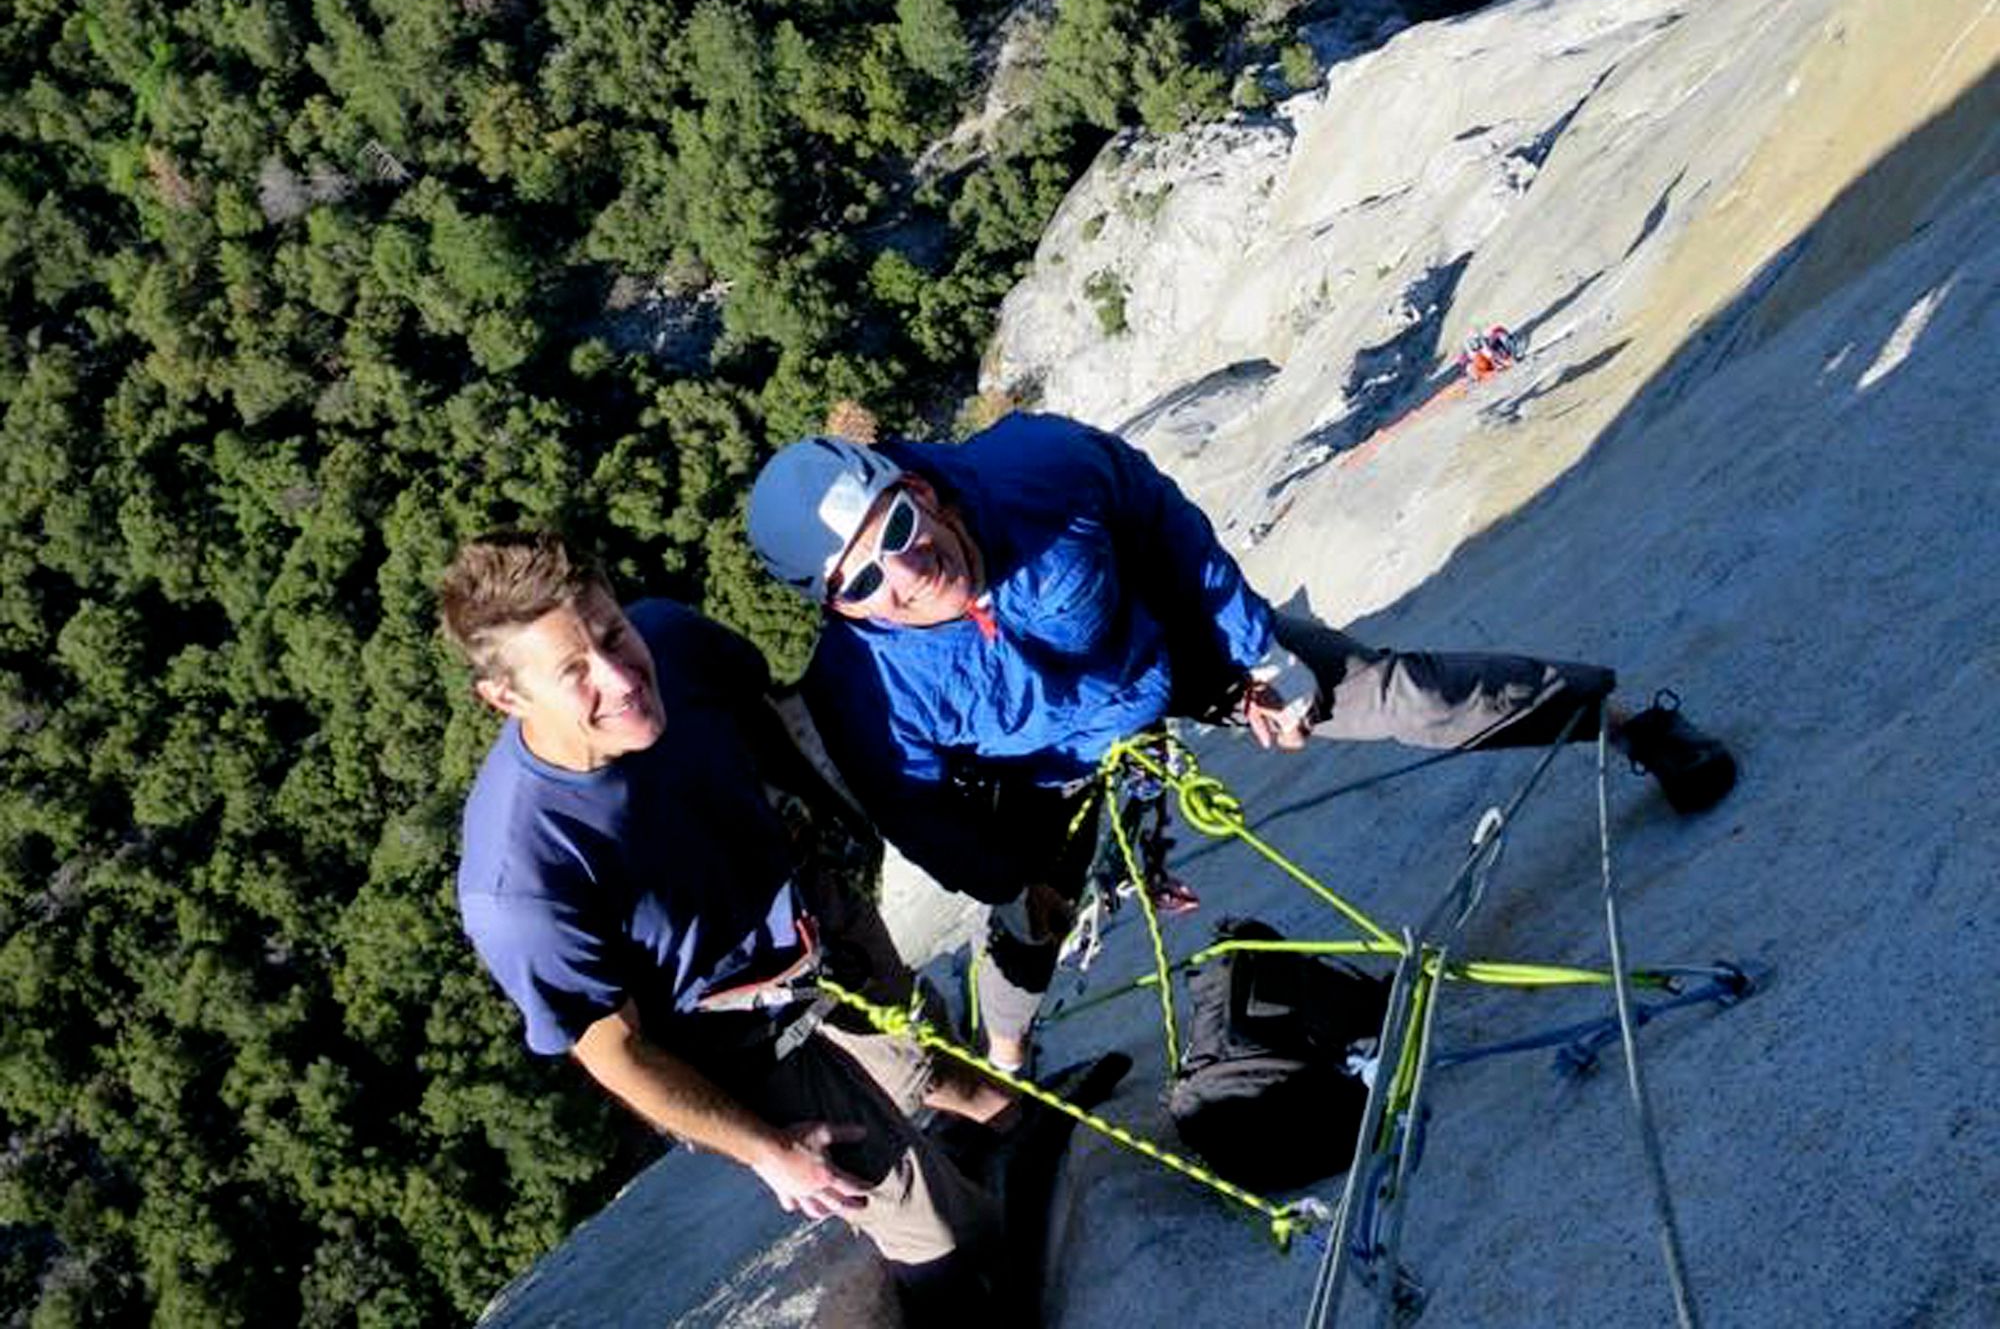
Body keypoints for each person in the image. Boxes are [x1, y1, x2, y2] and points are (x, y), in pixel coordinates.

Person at [745, 415, 1735, 1072]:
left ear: (920, 485)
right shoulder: (861, 687)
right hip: (1047, 764)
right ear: (831, 603)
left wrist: (1261, 656)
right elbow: (914, 805)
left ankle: (1628, 718)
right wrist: (1009, 874)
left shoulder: (1037, 470)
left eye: (902, 526)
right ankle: (1010, 1073)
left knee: (1400, 693)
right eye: (863, 579)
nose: (907, 570)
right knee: (1024, 929)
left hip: (1168, 649)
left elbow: (1163, 526)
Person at [437, 531, 1013, 1322]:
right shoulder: (522, 880)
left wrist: (834, 820)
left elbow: (762, 718)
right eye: (573, 671)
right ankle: (960, 1284)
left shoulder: (672, 639)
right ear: (505, 697)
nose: (620, 677)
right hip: (728, 1036)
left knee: (931, 1064)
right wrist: (767, 1149)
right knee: (927, 1223)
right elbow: (615, 1050)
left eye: (611, 634)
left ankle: (1005, 1122)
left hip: (807, 914)